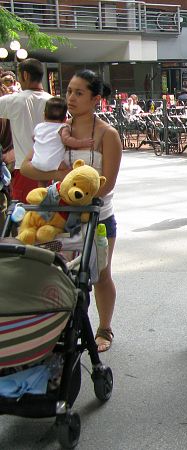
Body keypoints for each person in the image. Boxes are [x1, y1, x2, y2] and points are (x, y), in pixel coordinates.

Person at [21, 69, 123, 353]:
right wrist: (59, 176)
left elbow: (108, 183)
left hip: (98, 218)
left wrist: (74, 195)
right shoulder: (56, 128)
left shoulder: (107, 134)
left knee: (100, 274)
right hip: (59, 220)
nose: (71, 98)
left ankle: (104, 328)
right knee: (61, 275)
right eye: (69, 92)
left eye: (79, 93)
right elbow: (27, 165)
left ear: (95, 99)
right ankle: (65, 328)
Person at [0, 58, 52, 202]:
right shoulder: (53, 101)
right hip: (51, 171)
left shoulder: (12, 101)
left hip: (24, 170)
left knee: (25, 218)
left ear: (25, 75)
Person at [30, 97, 94, 179]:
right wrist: (82, 143)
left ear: (44, 115)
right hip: (53, 163)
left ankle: (42, 187)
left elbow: (34, 137)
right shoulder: (62, 127)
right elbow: (67, 140)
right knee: (68, 170)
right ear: (65, 118)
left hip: (36, 162)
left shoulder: (39, 126)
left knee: (42, 179)